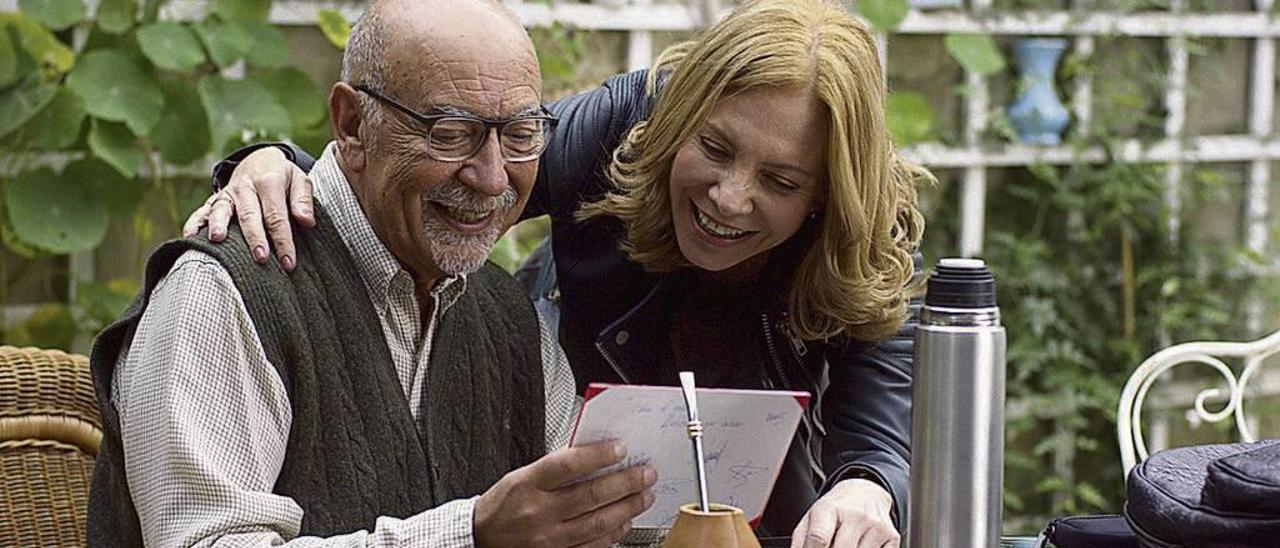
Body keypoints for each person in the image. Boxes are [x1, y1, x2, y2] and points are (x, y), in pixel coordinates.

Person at [188, 1, 930, 546]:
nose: (730, 197)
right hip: (572, 476)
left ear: (827, 195)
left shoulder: (867, 227)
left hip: (752, 509)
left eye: (781, 180)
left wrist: (864, 492)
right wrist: (279, 164)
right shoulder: (620, 132)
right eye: (714, 147)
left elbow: (876, 434)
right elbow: (446, 174)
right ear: (676, 124)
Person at [88, 1, 657, 547]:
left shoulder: (507, 318)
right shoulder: (221, 292)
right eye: (450, 133)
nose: (491, 177)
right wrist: (473, 535)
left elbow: (590, 520)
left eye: (520, 135)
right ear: (353, 124)